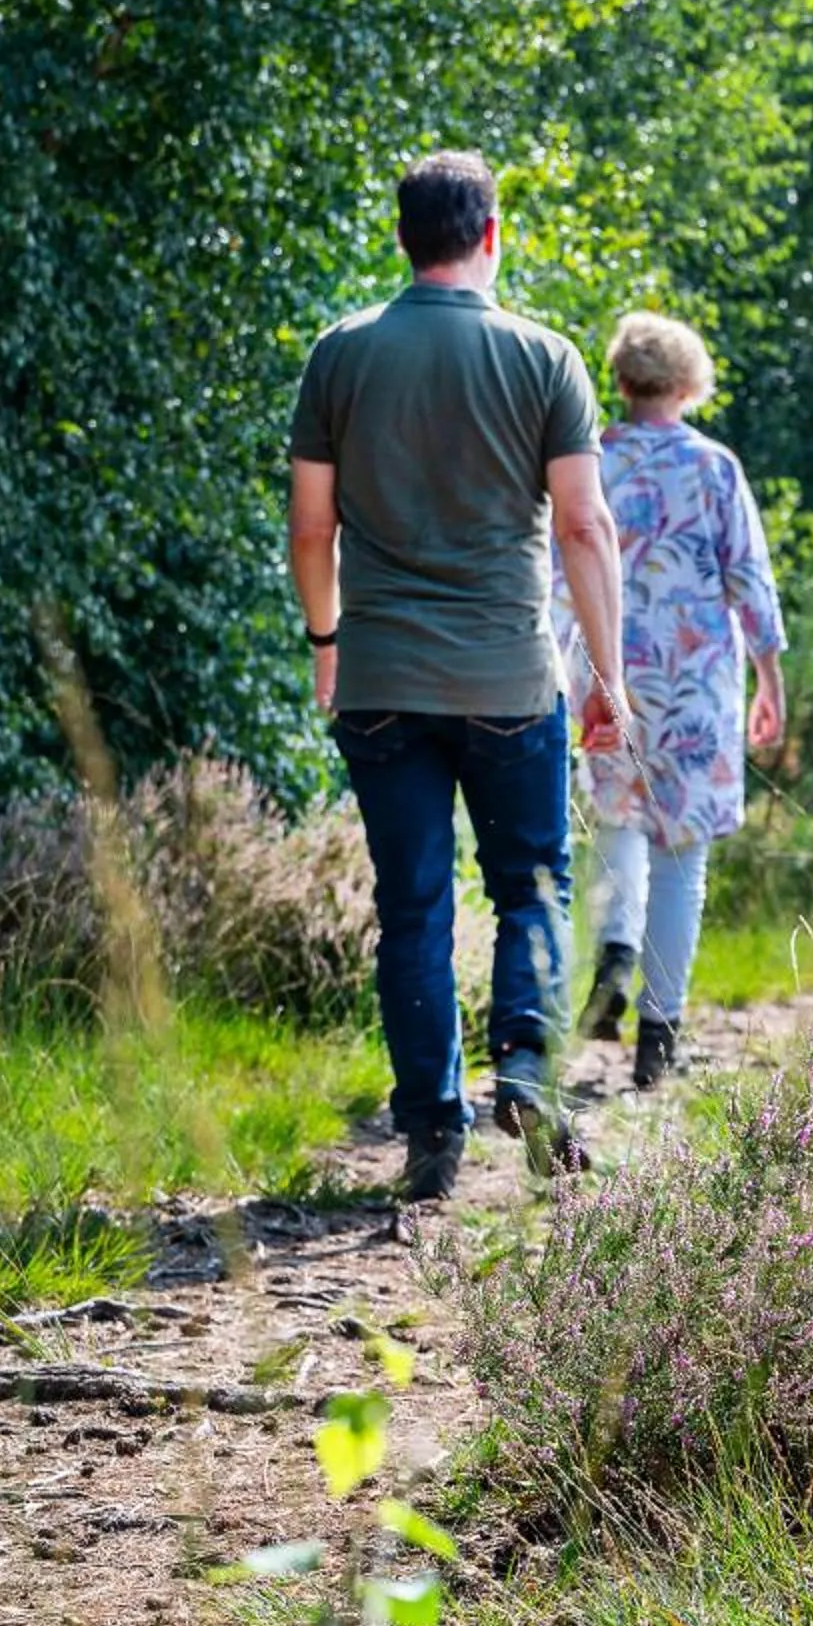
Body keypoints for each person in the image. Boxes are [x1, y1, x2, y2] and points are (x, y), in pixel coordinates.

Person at [286, 151, 634, 1219]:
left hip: (383, 675)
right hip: (509, 677)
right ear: (492, 235)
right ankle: (526, 1077)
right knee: (530, 883)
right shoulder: (545, 357)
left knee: (413, 908)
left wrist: (326, 641)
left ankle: (432, 1124)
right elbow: (582, 524)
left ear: (403, 238)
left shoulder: (341, 354)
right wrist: (608, 676)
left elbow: (311, 528)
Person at [562, 312, 787, 1089]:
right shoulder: (715, 466)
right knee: (681, 855)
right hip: (695, 684)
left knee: (617, 820)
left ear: (621, 381)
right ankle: (659, 1034)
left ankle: (615, 955)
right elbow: (748, 580)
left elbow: (566, 559)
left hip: (609, 676)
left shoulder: (590, 461)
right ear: (689, 385)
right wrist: (771, 680)